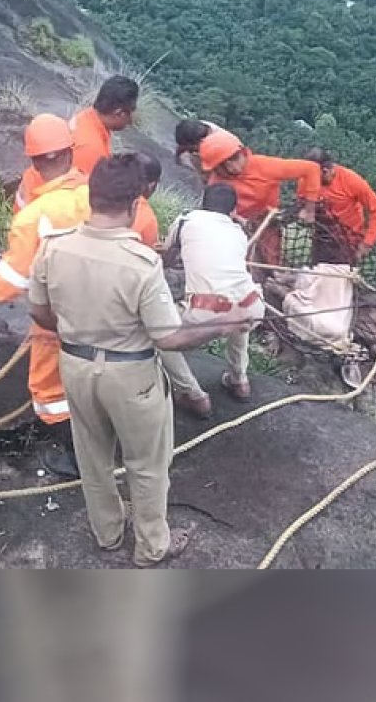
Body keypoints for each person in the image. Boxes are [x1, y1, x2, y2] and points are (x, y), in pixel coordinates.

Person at [29, 154, 240, 567]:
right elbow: (170, 337)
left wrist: (77, 330)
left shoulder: (54, 248)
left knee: (92, 455)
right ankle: (151, 547)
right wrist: (222, 325)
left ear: (93, 196)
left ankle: (107, 534)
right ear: (135, 201)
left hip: (74, 364)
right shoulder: (141, 262)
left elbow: (38, 312)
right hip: (131, 376)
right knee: (146, 464)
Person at [0, 114, 90, 479]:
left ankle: (76, 455)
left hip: (55, 317)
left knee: (49, 388)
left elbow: (5, 285)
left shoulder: (34, 215)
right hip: (105, 309)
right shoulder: (97, 193)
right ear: (70, 152)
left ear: (33, 161)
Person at [164, 184, 266, 402]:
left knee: (159, 335)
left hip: (207, 313)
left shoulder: (185, 221)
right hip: (253, 306)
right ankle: (239, 379)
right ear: (232, 210)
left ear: (203, 202)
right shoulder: (238, 232)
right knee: (239, 305)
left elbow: (168, 257)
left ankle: (192, 394)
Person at [134, 153, 213, 418]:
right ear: (152, 185)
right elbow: (145, 266)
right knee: (159, 333)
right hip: (131, 286)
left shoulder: (104, 200)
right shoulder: (143, 214)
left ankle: (193, 392)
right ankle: (193, 393)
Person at [14, 76, 139, 212]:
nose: (132, 120)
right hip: (38, 214)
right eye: (131, 113)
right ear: (119, 113)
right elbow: (78, 199)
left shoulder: (86, 118)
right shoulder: (90, 148)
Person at [200, 129, 322, 267]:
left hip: (266, 226)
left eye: (235, 159)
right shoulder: (216, 182)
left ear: (243, 153)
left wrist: (309, 209)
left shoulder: (264, 166)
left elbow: (311, 169)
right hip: (231, 228)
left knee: (268, 266)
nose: (232, 167)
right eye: (223, 165)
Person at [304, 148, 376, 263]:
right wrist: (305, 211)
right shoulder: (306, 180)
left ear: (326, 170)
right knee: (318, 273)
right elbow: (303, 201)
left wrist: (367, 243)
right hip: (322, 238)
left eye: (317, 177)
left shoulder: (351, 180)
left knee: (339, 276)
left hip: (348, 241)